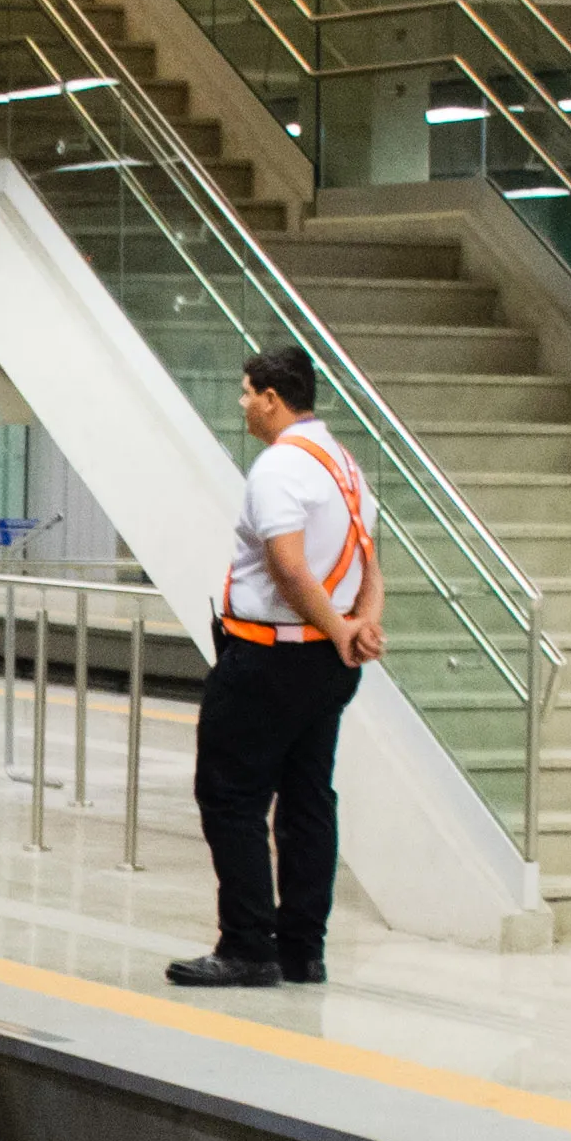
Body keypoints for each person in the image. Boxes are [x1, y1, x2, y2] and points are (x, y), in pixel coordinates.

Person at [172, 345, 375, 991]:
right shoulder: (345, 467)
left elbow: (288, 567)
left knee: (230, 795)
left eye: (246, 392)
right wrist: (359, 626)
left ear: (271, 397)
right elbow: (373, 563)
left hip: (268, 656)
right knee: (309, 799)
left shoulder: (279, 467)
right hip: (327, 665)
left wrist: (337, 625)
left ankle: (247, 945)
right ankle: (302, 950)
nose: (242, 405)